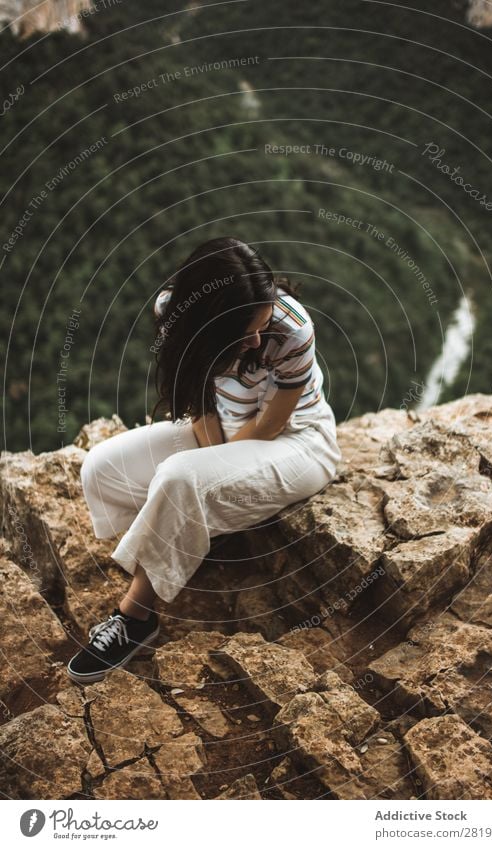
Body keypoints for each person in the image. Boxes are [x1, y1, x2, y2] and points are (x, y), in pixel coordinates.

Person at [67, 237, 342, 683]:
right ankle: (185, 535)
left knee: (180, 479)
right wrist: (210, 471)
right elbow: (199, 398)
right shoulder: (172, 311)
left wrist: (203, 477)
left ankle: (135, 618)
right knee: (99, 468)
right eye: (243, 331)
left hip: (297, 443)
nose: (255, 338)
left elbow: (271, 426)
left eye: (261, 324)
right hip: (219, 429)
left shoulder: (292, 329)